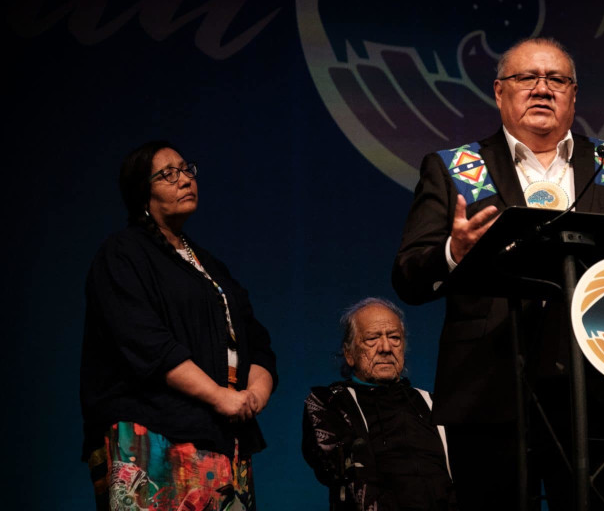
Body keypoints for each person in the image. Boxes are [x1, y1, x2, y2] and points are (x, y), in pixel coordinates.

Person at [392, 37, 604, 509]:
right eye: (526, 78)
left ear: (573, 95)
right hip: (487, 388)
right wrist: (454, 252)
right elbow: (409, 277)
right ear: (500, 92)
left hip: (594, 386)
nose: (542, 88)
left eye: (556, 79)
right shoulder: (455, 168)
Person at [80, 140, 278, 510]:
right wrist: (218, 396)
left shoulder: (211, 266)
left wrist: (253, 395)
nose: (185, 179)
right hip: (155, 434)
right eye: (168, 174)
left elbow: (257, 343)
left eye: (187, 170)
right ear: (143, 191)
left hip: (223, 436)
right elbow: (146, 343)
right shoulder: (123, 254)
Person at [302, 298, 457, 511]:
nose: (385, 347)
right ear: (349, 354)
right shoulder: (330, 403)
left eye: (394, 338)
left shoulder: (433, 404)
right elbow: (347, 478)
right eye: (372, 338)